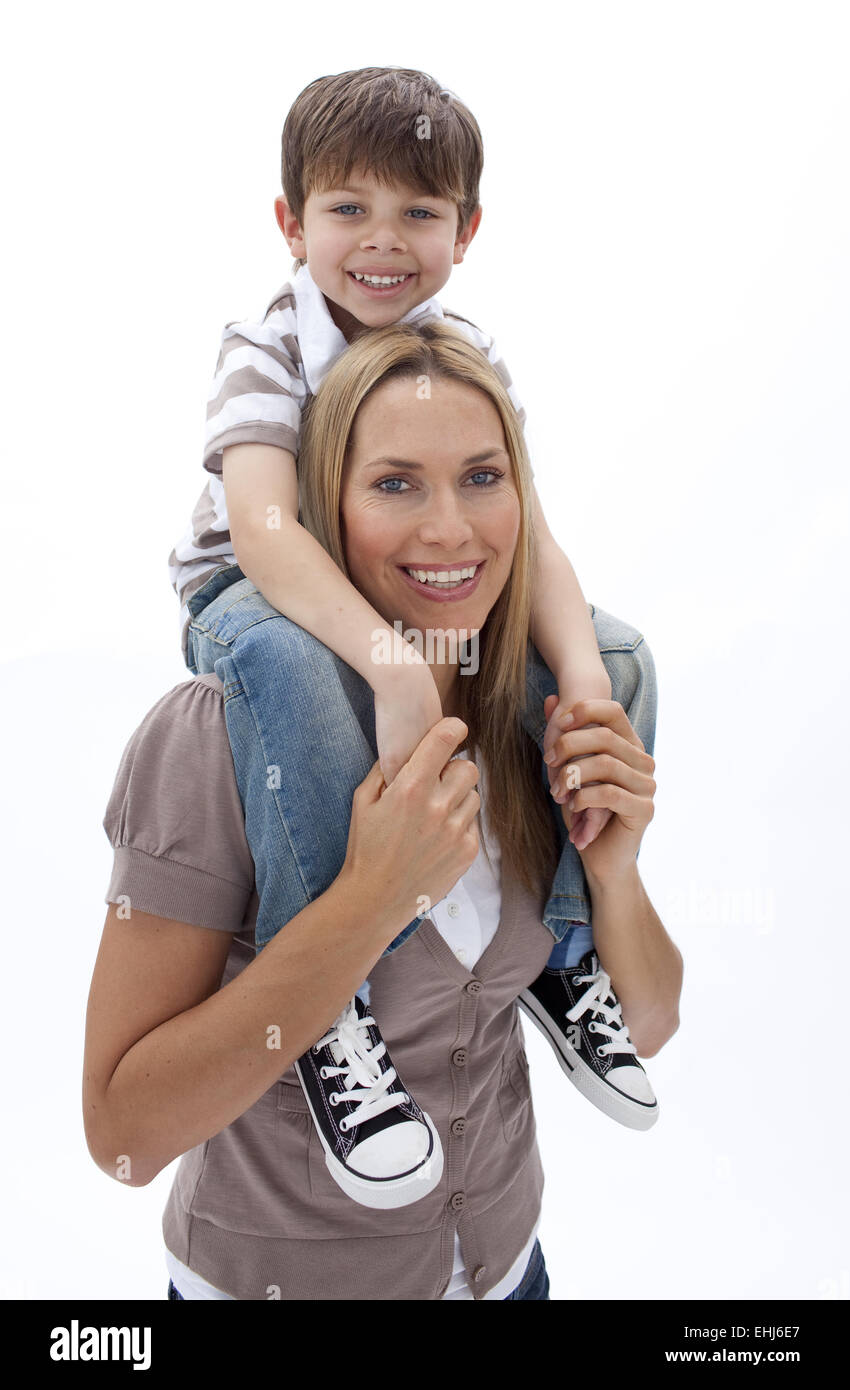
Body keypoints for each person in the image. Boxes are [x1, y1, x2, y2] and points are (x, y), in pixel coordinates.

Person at [84, 320, 682, 1300]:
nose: (450, 527)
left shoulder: (536, 714)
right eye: (395, 482)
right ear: (322, 507)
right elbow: (122, 1138)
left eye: (483, 478)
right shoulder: (213, 734)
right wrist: (365, 903)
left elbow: (650, 1023)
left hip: (507, 1272)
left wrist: (613, 873)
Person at [166, 68, 656, 1192]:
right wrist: (391, 668)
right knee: (292, 659)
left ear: (465, 230)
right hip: (265, 595)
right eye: (347, 210)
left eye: (419, 213)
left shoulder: (460, 350)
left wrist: (582, 679)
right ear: (291, 223)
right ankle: (332, 1005)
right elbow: (266, 527)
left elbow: (525, 532)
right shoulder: (267, 344)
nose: (382, 242)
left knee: (618, 652)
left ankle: (564, 950)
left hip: (410, 593)